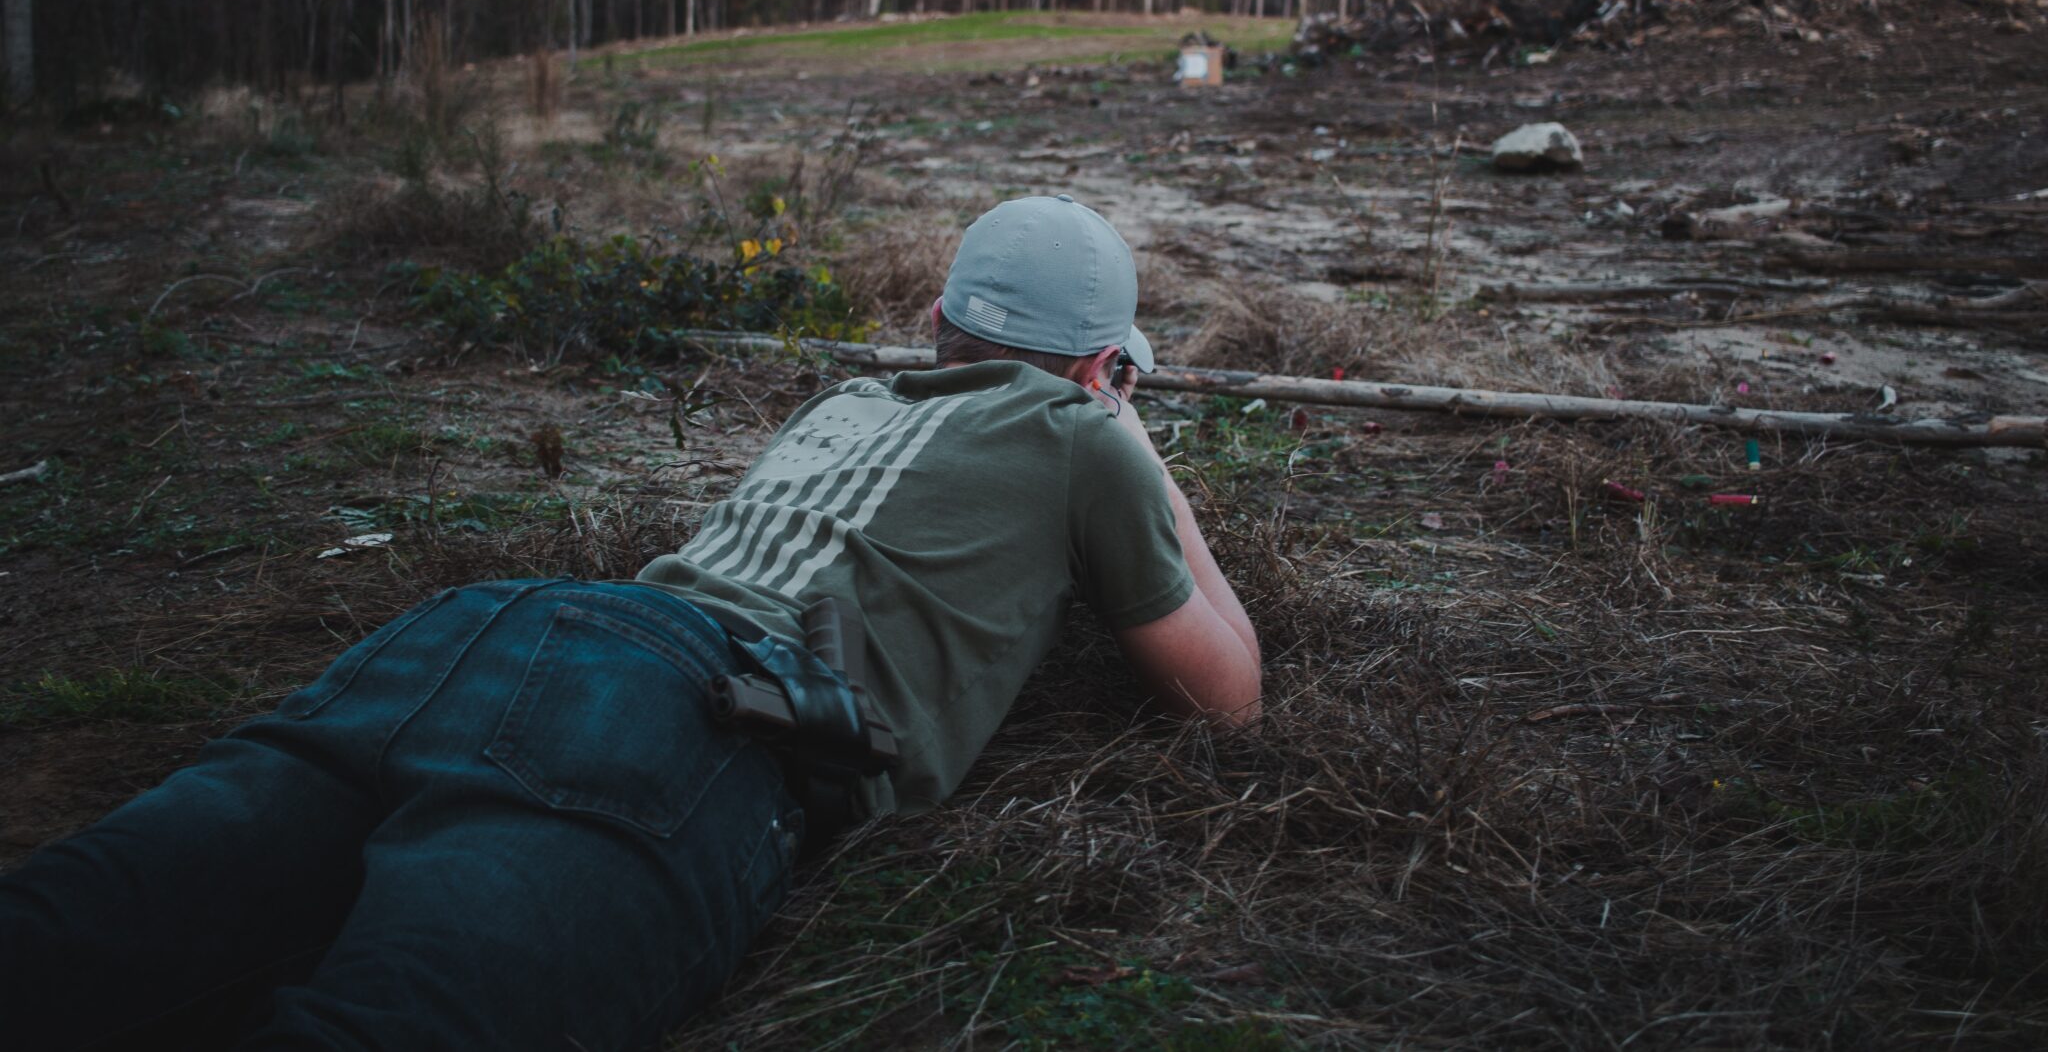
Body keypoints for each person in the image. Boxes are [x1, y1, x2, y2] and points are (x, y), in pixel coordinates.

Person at [0, 194, 1261, 1052]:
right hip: (683, 720)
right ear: (1105, 368)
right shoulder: (1079, 437)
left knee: (70, 932)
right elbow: (1229, 691)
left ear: (938, 330)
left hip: (481, 638)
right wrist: (1125, 438)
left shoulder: (846, 404)